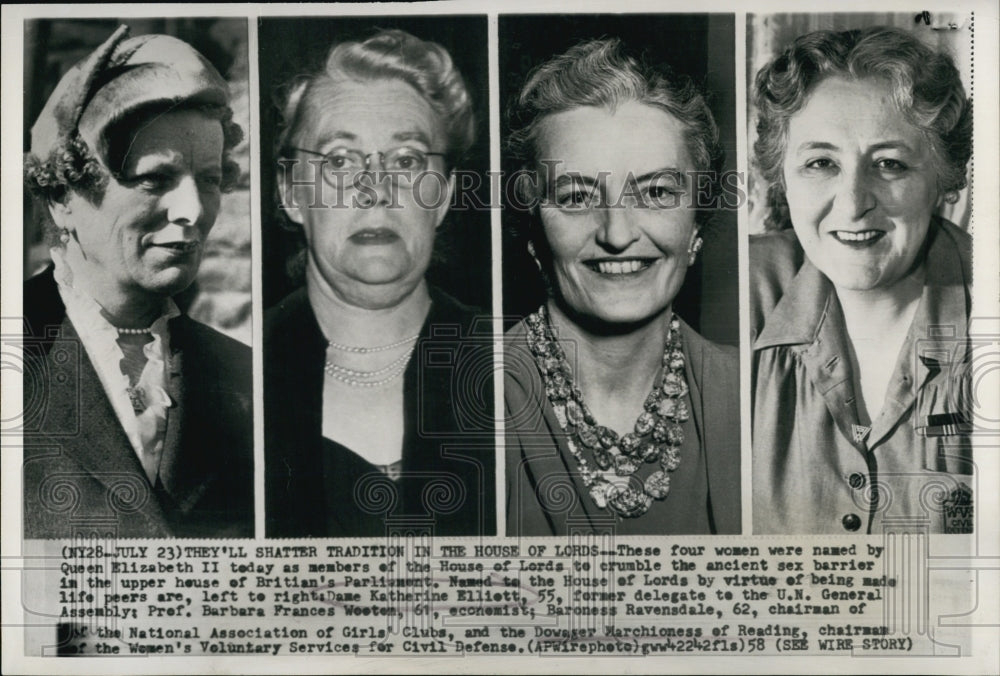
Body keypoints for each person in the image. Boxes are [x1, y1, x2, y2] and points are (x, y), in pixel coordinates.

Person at [21, 25, 253, 538]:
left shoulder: (245, 382)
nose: (192, 211)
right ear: (63, 195)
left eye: (210, 180)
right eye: (154, 179)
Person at [504, 38, 740, 535]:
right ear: (533, 230)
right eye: (576, 196)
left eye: (656, 192)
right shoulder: (468, 401)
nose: (617, 234)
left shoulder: (762, 399)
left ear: (697, 222)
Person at [265, 29, 495, 537]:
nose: (376, 190)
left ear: (444, 194)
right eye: (340, 161)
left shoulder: (519, 370)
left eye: (407, 160)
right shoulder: (234, 377)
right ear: (290, 192)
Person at [750, 27, 973, 534]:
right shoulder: (728, 295)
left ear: (943, 177)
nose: (852, 203)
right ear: (780, 174)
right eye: (821, 163)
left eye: (890, 165)